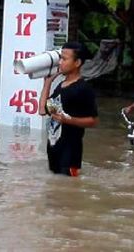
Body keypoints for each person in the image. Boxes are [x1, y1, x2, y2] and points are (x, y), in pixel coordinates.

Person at [39, 42, 99, 177]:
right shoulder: (61, 85)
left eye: (64, 59)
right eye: (60, 58)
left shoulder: (84, 89)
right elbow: (43, 110)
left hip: (71, 151)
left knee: (69, 188)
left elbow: (93, 121)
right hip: (54, 147)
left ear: (77, 62)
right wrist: (47, 83)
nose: (60, 62)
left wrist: (69, 120)